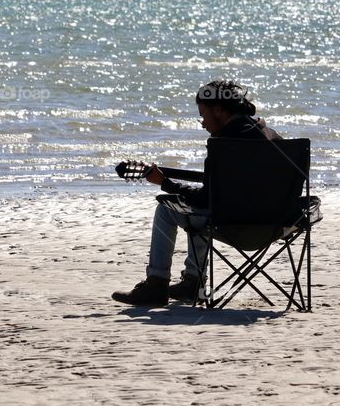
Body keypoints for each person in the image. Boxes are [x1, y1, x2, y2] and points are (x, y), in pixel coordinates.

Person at [112, 80, 281, 306]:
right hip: (278, 225)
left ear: (218, 110)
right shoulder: (270, 135)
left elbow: (205, 198)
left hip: (236, 227)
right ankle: (192, 282)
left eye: (203, 115)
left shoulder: (222, 144)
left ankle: (159, 284)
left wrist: (165, 183)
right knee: (207, 207)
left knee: (170, 208)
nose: (202, 123)